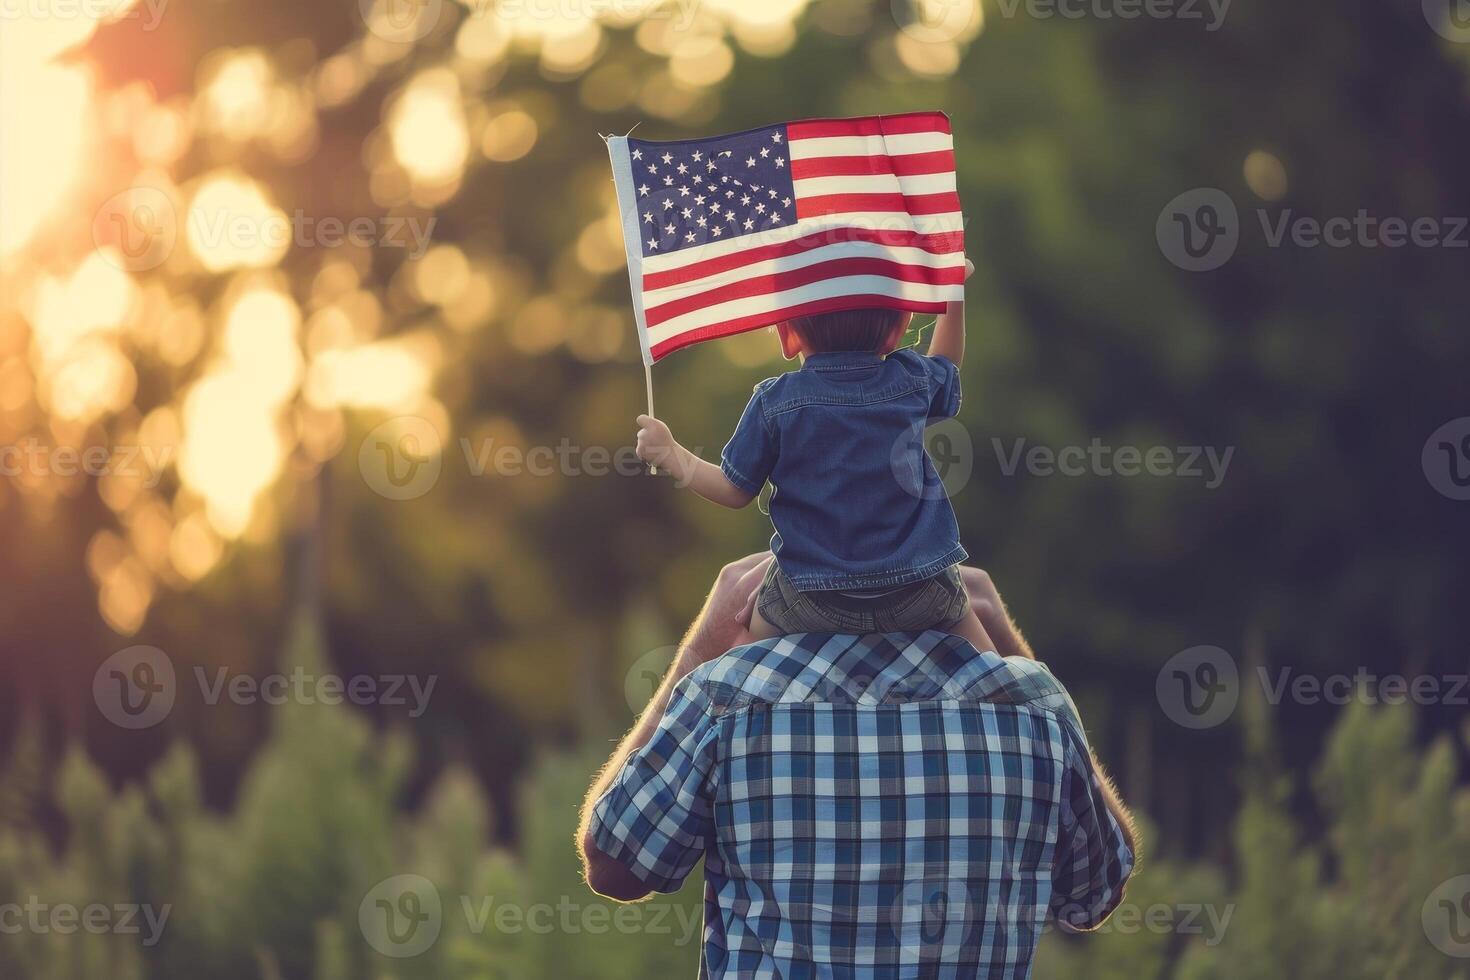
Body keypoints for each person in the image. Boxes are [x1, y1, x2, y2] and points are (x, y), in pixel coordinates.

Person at [578, 554, 1138, 978]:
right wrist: (1014, 661)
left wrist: (700, 650)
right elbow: (1096, 890)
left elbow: (615, 865)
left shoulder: (730, 696)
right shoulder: (1030, 708)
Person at [634, 260, 991, 649]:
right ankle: (1008, 692)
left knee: (745, 640)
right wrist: (952, 293)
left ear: (788, 336)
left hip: (813, 600)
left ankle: (748, 698)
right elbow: (947, 363)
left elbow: (733, 490)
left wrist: (670, 453)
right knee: (990, 662)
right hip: (919, 591)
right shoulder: (910, 379)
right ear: (896, 331)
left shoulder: (775, 402)